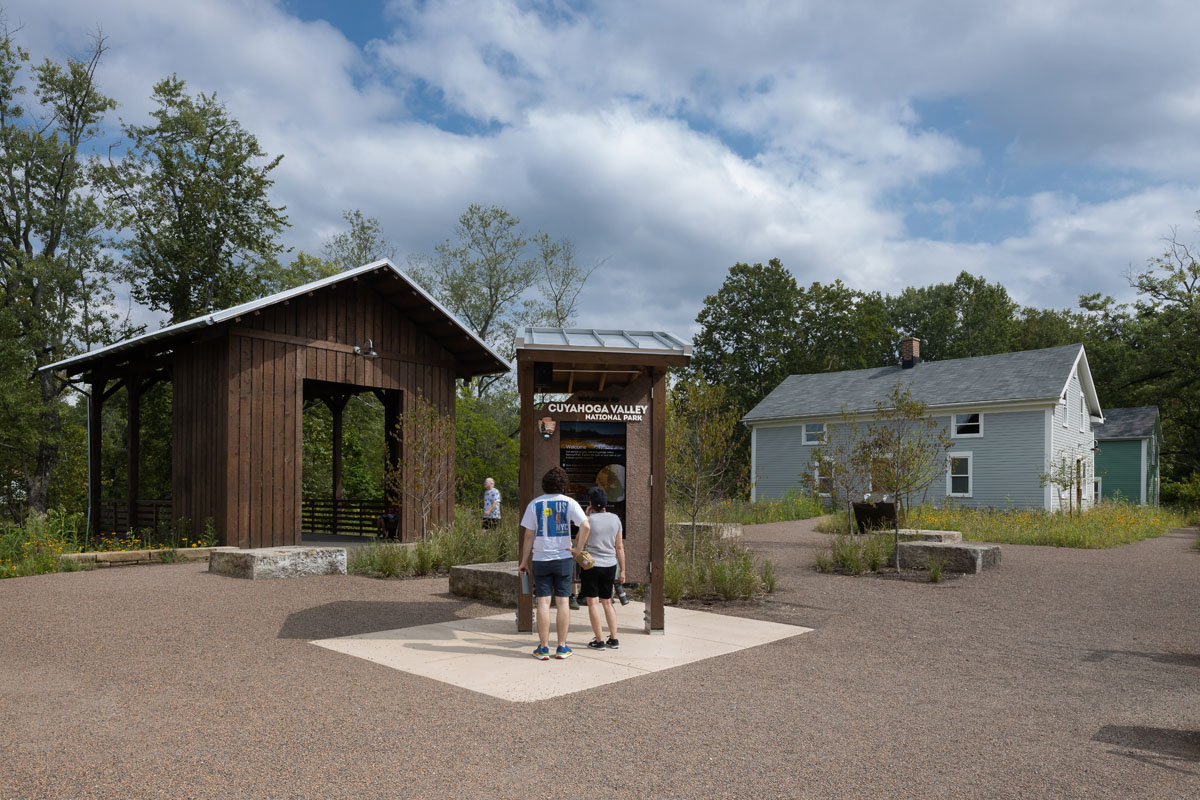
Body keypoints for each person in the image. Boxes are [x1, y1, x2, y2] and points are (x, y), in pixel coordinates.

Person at [518, 466, 590, 660]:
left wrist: (524, 561)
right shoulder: (570, 503)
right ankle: (562, 647)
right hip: (564, 559)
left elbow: (528, 535)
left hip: (541, 559)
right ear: (564, 485)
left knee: (542, 601)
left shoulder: (534, 504)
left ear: (544, 485)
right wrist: (578, 549)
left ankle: (543, 648)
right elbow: (585, 526)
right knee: (563, 601)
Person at [580, 486, 625, 650]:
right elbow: (619, 547)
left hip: (592, 565)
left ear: (591, 503)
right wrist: (623, 571)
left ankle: (599, 641)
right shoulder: (615, 519)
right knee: (607, 602)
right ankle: (614, 639)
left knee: (593, 603)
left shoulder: (589, 520)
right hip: (610, 565)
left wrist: (586, 516)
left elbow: (580, 539)